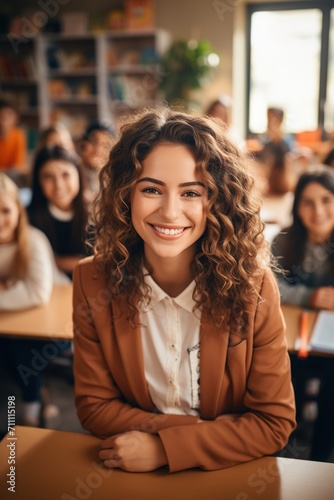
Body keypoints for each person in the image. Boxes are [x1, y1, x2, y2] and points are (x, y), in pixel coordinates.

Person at [73, 108, 295, 473]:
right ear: (125, 196)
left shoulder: (254, 287)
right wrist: (216, 433)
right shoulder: (92, 281)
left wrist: (165, 449)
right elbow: (95, 407)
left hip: (230, 478)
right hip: (129, 476)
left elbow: (273, 424)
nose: (170, 211)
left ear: (217, 201)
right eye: (151, 189)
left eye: (191, 192)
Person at [271, 168, 334, 462]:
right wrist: (311, 296)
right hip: (294, 339)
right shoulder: (285, 240)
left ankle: (323, 453)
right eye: (308, 202)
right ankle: (284, 444)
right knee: (283, 369)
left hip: (328, 343)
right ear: (297, 207)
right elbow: (270, 285)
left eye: (326, 200)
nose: (318, 210)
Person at [0, 173, 69, 426]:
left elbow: (36, 294)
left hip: (59, 324)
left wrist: (10, 288)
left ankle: (30, 411)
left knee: (21, 352)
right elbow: (25, 294)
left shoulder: (33, 240)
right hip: (14, 321)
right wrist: (15, 290)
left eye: (5, 210)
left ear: (18, 210)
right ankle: (33, 400)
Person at [27, 145, 89, 279]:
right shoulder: (28, 218)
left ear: (78, 174)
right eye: (48, 177)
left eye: (65, 174)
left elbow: (106, 261)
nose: (58, 185)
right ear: (39, 182)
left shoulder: (98, 212)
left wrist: (58, 262)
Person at [77, 122, 115, 202]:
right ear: (84, 143)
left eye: (105, 145)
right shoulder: (72, 172)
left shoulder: (113, 179)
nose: (98, 150)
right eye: (94, 141)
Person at [0, 98, 27, 176]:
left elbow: (18, 168)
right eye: (1, 116)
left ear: (15, 118)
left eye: (8, 115)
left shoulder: (18, 135)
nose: (3, 120)